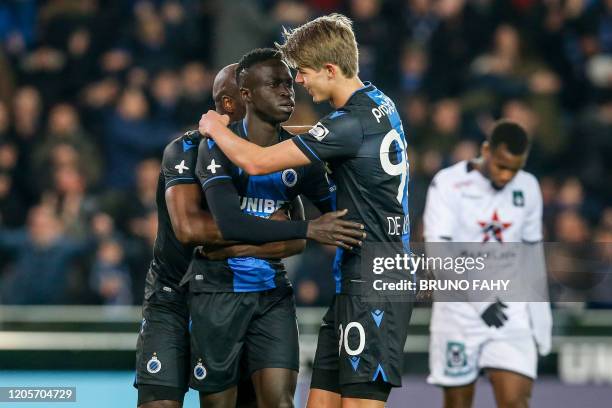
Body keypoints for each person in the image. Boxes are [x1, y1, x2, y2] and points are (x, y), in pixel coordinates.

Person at [197, 14, 412, 407]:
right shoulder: (379, 103)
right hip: (357, 280)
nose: (298, 81)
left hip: (376, 283)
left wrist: (216, 128)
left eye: (304, 72)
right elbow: (323, 141)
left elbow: (257, 163)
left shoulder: (348, 124)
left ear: (331, 70)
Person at [134, 63, 317, 408]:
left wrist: (239, 233)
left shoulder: (270, 156)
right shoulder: (184, 151)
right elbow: (189, 230)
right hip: (174, 297)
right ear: (231, 103)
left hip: (239, 294)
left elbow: (296, 237)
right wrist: (264, 226)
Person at [190, 48, 342, 408]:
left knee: (279, 403)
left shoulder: (300, 154)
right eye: (274, 84)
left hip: (273, 294)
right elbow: (229, 223)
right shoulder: (214, 146)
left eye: (289, 84)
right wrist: (304, 229)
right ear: (245, 94)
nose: (287, 92)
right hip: (217, 293)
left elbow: (339, 214)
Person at [423, 120, 552, 408]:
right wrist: (481, 300)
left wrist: (542, 317)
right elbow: (438, 252)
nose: (507, 176)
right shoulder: (448, 183)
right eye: (501, 166)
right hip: (458, 312)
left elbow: (532, 254)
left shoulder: (529, 187)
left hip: (510, 313)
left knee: (516, 403)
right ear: (486, 150)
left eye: (515, 169)